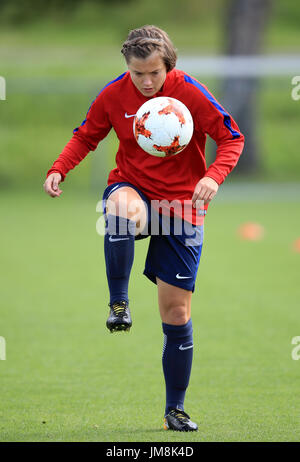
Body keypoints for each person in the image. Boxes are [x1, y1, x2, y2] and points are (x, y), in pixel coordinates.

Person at [44, 25, 244, 432]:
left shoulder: (190, 92)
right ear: (128, 69)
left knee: (176, 312)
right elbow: (86, 136)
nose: (147, 82)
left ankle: (176, 409)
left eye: (154, 72)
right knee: (119, 207)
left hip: (182, 206)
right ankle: (119, 304)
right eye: (138, 74)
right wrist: (58, 168)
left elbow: (231, 138)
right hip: (133, 187)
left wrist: (214, 176)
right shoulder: (114, 93)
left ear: (168, 65)